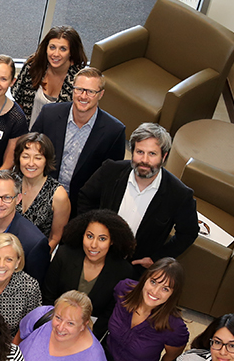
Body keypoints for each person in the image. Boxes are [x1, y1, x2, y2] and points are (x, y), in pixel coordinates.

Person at [74, 123, 199, 270]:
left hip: (134, 269)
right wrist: (92, 234)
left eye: (152, 154)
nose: (144, 160)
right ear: (132, 151)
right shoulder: (110, 170)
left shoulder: (179, 194)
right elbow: (86, 197)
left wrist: (156, 258)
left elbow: (189, 232)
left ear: (164, 156)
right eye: (140, 152)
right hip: (94, 256)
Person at [29, 66, 126, 195]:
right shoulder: (49, 114)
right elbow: (30, 149)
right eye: (79, 90)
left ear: (101, 94)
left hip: (82, 201)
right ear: (72, 89)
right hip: (42, 192)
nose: (83, 96)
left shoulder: (114, 132)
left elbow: (111, 177)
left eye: (91, 92)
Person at [42, 209, 137, 340]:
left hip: (91, 333)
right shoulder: (64, 255)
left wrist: (90, 337)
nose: (93, 245)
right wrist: (55, 326)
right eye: (90, 236)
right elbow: (48, 295)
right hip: (54, 325)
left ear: (112, 241)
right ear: (82, 235)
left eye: (102, 239)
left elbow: (110, 313)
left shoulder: (123, 271)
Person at [10, 26, 88, 125]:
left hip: (56, 137)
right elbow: (18, 103)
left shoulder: (79, 81)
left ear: (71, 52)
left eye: (63, 49)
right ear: (46, 48)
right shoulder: (32, 67)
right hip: (26, 133)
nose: (56, 54)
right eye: (52, 47)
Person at [12, 132, 69, 249]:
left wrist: (38, 259)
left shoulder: (58, 195)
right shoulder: (10, 182)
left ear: (46, 160)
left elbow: (55, 237)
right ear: (18, 158)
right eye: (25, 156)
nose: (31, 163)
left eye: (38, 158)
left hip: (35, 254)